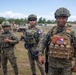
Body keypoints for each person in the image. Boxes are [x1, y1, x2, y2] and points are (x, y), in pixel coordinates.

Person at [38, 7, 76, 75]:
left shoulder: (72, 32)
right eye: (59, 18)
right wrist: (40, 54)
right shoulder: (52, 31)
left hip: (66, 66)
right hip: (52, 66)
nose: (61, 20)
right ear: (56, 18)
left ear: (67, 19)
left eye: (63, 18)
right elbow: (43, 42)